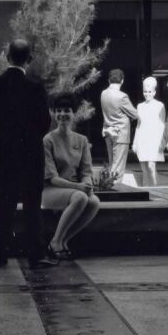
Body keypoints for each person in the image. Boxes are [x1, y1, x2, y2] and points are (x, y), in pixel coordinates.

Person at [0, 38, 53, 268]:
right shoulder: (35, 87)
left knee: (3, 203)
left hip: (5, 154)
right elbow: (45, 123)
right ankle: (35, 255)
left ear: (7, 57)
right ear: (30, 59)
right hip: (30, 154)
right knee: (32, 205)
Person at [40, 94, 104, 259]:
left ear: (73, 113)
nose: (62, 114)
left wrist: (87, 184)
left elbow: (86, 171)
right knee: (80, 197)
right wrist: (78, 187)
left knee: (94, 201)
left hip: (76, 190)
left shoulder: (81, 140)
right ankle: (55, 242)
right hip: (51, 191)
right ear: (54, 114)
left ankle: (64, 240)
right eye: (58, 110)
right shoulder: (47, 140)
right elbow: (52, 178)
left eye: (67, 110)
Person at [99, 69, 138, 186]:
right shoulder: (122, 96)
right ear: (122, 81)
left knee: (112, 163)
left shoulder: (103, 93)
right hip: (120, 133)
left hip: (107, 131)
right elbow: (135, 114)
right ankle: (115, 190)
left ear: (109, 80)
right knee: (118, 166)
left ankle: (108, 187)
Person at [132, 76, 166, 187]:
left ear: (154, 92)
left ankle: (156, 188)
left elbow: (162, 125)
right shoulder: (140, 106)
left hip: (154, 140)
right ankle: (146, 190)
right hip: (142, 139)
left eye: (150, 92)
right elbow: (138, 125)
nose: (147, 94)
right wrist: (135, 142)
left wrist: (162, 141)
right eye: (145, 92)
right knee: (144, 168)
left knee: (151, 166)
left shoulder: (160, 105)